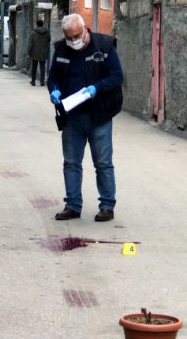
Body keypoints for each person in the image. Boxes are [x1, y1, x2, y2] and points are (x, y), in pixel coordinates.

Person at [47, 14, 123, 222]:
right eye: (69, 37)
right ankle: (72, 205)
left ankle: (107, 206)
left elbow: (117, 76)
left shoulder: (104, 47)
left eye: (77, 35)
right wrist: (53, 90)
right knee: (71, 163)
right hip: (72, 117)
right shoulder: (61, 49)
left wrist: (96, 89)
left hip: (99, 115)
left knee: (103, 163)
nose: (74, 41)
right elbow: (52, 76)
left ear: (85, 29)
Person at [27, 19, 50, 86]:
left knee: (34, 67)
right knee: (42, 67)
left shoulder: (33, 33)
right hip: (43, 52)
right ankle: (42, 82)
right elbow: (49, 39)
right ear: (42, 24)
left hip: (34, 52)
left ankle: (33, 81)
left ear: (37, 25)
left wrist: (28, 53)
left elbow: (30, 44)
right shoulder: (47, 32)